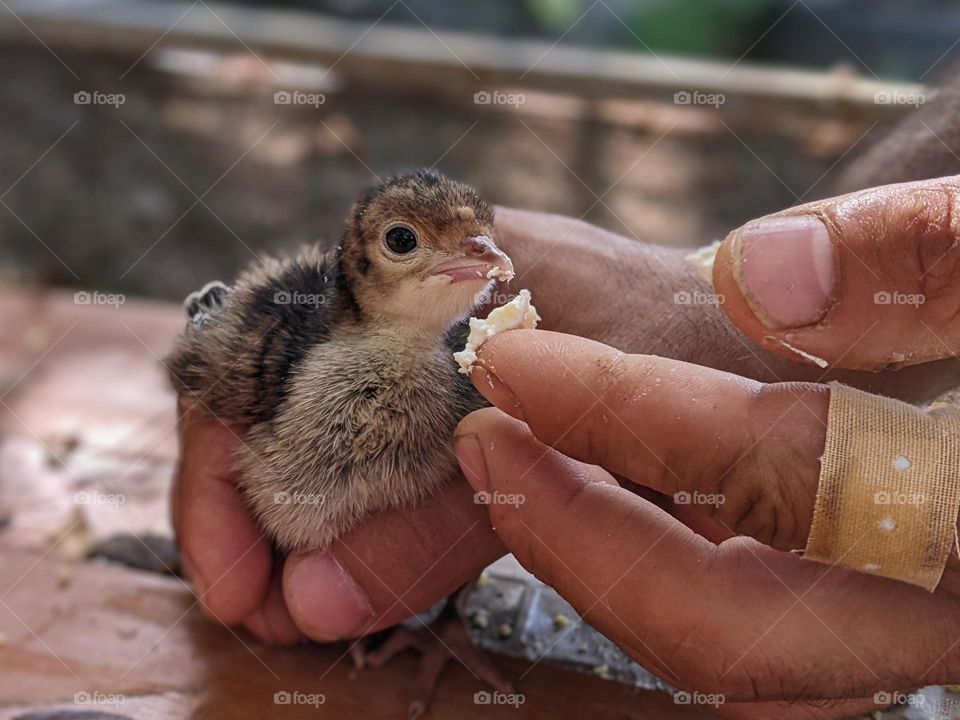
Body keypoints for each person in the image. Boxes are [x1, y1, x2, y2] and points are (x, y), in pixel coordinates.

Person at [172, 176, 960, 719]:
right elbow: (209, 346)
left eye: (479, 237)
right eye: (408, 242)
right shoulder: (283, 368)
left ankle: (436, 612)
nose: (478, 255)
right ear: (357, 269)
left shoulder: (473, 372)